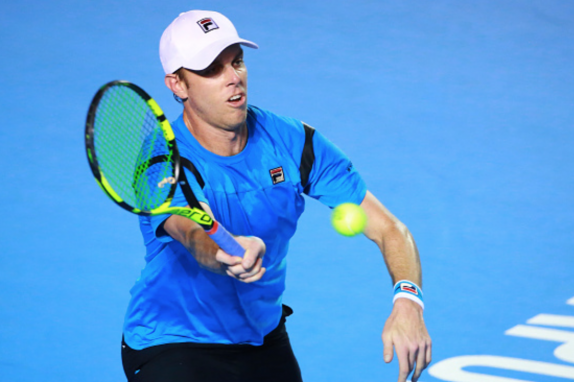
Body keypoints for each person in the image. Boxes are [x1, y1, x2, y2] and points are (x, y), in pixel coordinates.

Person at [120, 10, 431, 382]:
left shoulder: (294, 142)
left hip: (262, 337)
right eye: (211, 70)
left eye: (237, 62)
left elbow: (390, 229)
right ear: (178, 85)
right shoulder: (162, 160)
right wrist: (225, 251)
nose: (233, 78)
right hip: (174, 341)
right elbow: (191, 231)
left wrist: (409, 301)